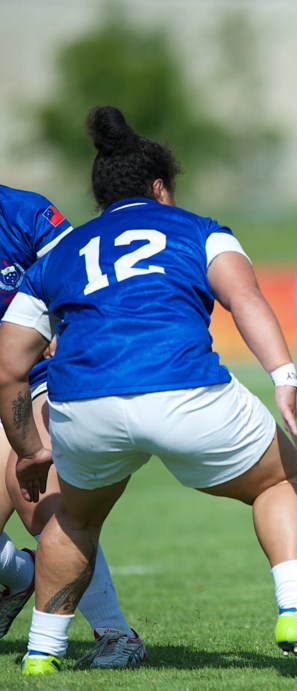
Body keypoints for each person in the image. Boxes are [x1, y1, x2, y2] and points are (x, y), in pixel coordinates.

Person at [0, 106, 297, 675]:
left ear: (101, 199)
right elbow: (246, 301)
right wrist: (284, 380)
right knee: (280, 478)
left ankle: (42, 653)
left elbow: (9, 367)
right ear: (161, 187)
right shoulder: (200, 229)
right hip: (184, 389)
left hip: (83, 403)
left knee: (74, 518)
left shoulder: (63, 254)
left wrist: (31, 449)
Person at [0, 184, 145, 668]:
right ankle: (20, 575)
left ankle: (115, 635)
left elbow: (81, 271)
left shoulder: (25, 213)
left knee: (40, 502)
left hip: (28, 380)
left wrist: (65, 328)